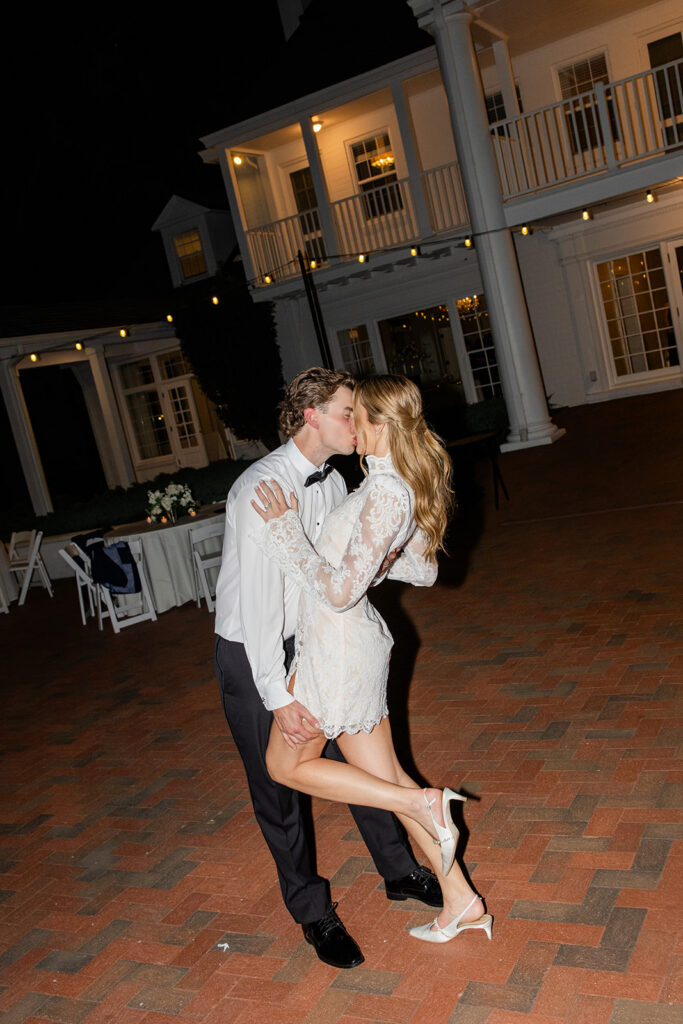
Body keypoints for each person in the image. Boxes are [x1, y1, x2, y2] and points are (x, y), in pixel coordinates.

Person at [251, 374, 493, 945]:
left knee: (285, 767)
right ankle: (461, 900)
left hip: (336, 650)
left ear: (380, 424)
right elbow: (425, 570)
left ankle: (423, 802)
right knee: (383, 776)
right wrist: (377, 564)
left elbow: (336, 592)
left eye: (356, 414)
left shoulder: (387, 491)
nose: (349, 423)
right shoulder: (386, 483)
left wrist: (286, 532)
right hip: (348, 645)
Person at [214, 367, 443, 971]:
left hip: (317, 642)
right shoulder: (260, 489)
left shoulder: (340, 479)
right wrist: (275, 694)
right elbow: (261, 606)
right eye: (349, 411)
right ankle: (313, 912)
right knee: (281, 787)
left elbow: (349, 560)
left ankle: (399, 871)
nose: (358, 422)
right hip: (257, 653)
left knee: (355, 758)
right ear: (313, 416)